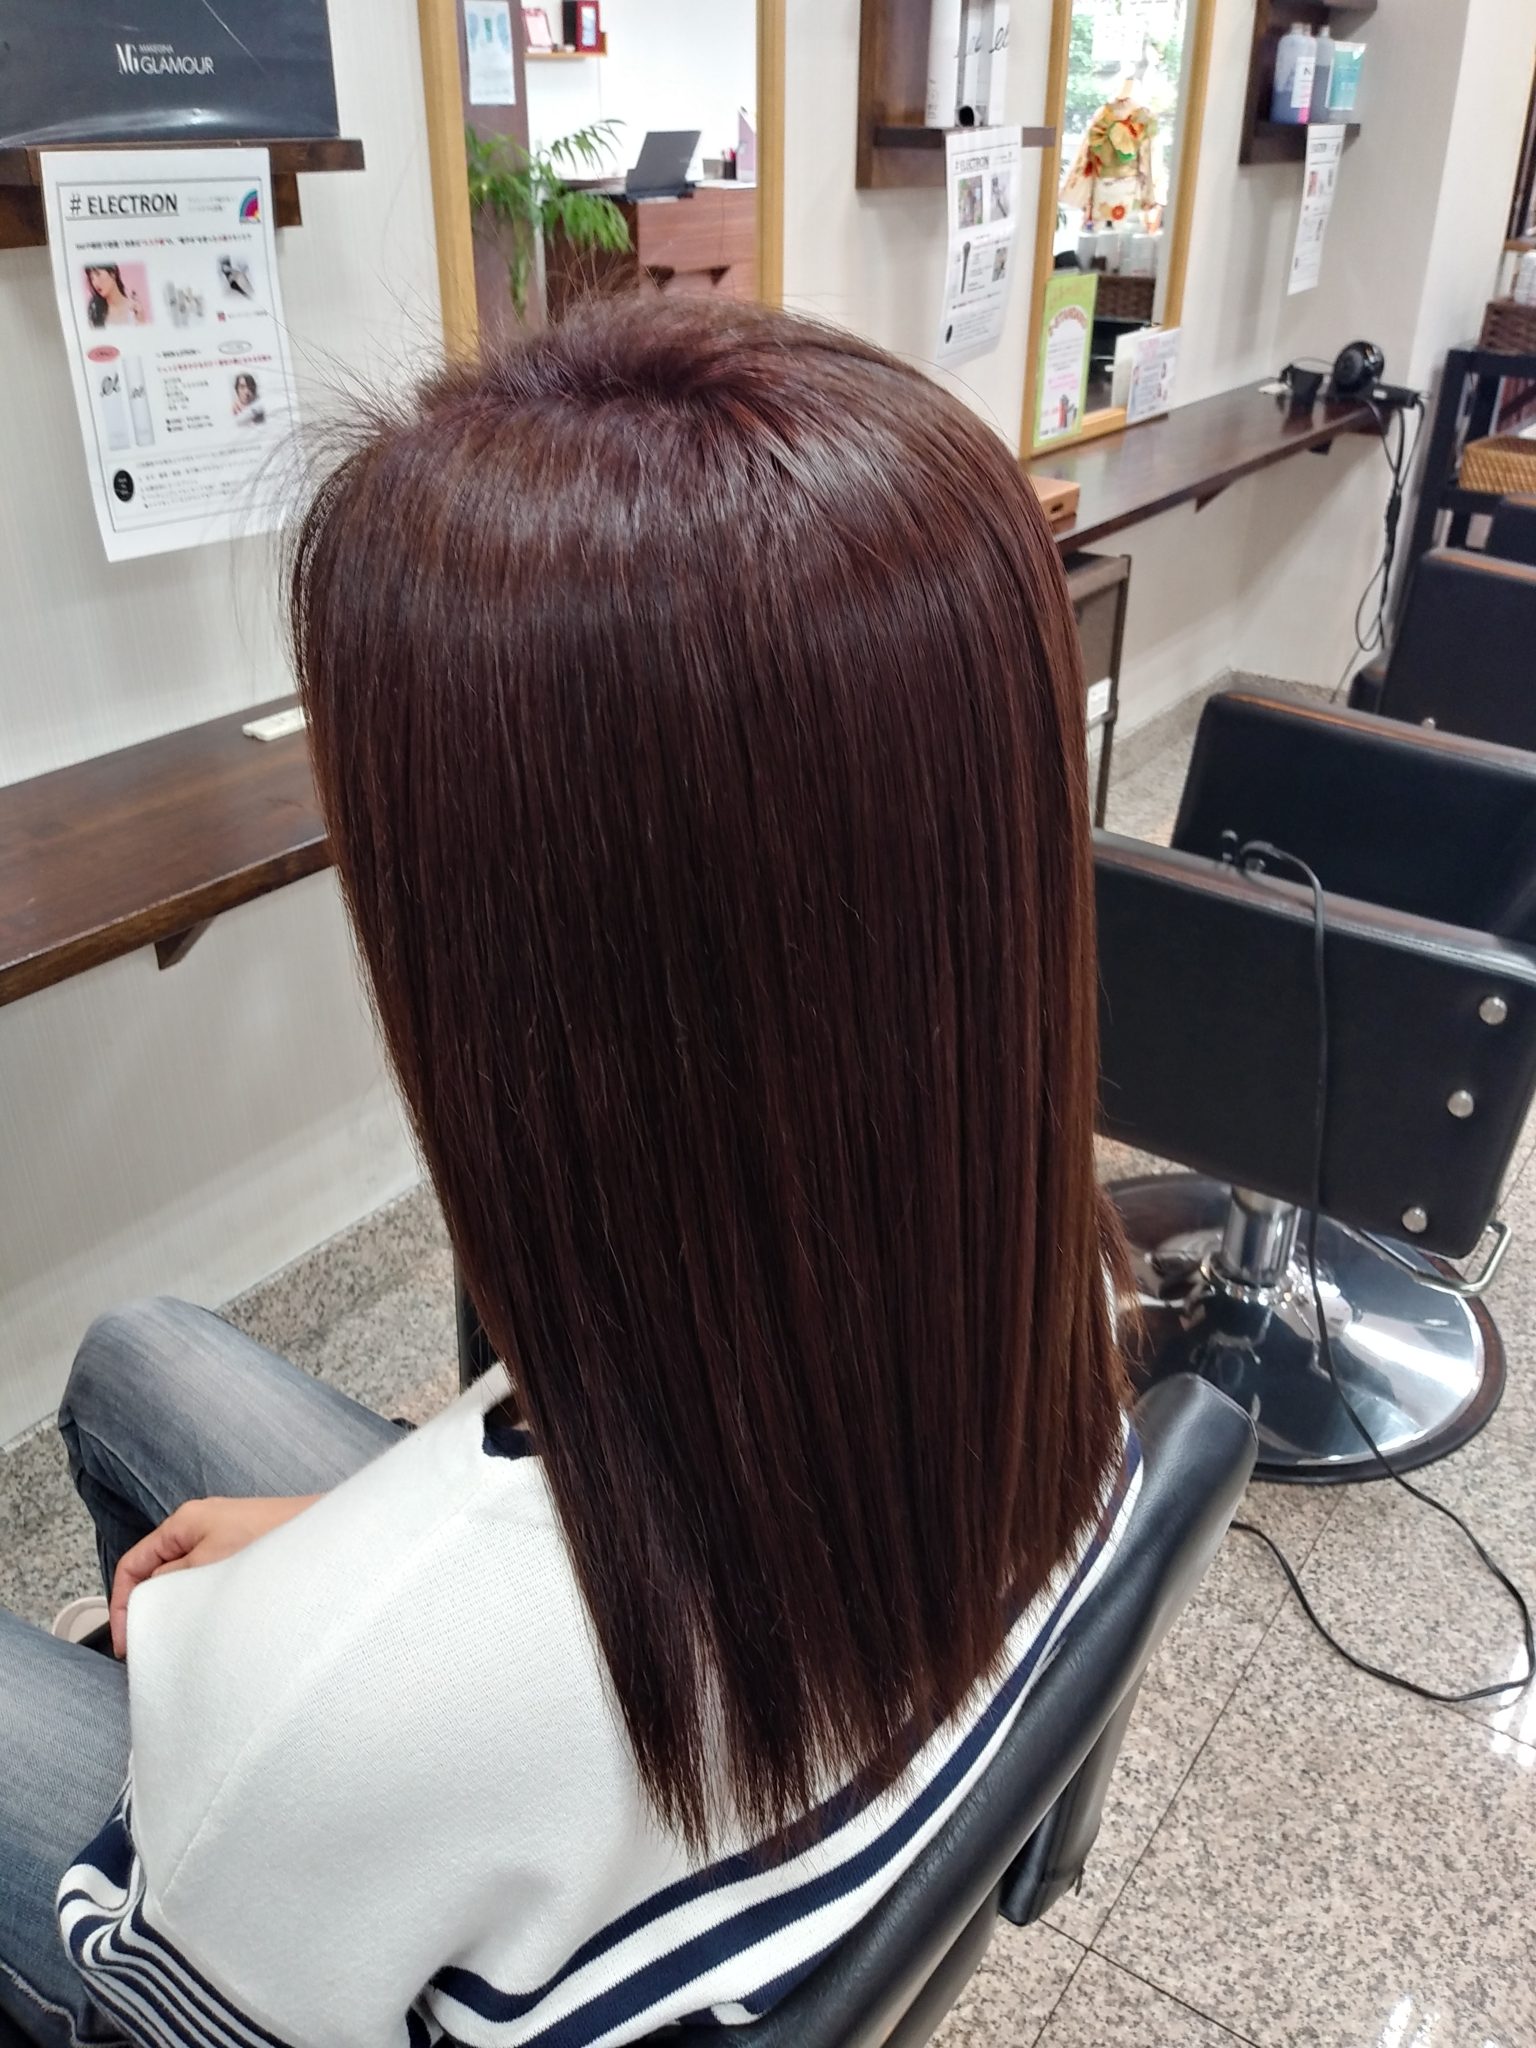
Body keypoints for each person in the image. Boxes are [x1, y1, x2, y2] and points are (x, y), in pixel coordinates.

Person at [0, 299, 1136, 2048]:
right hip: (692, 1675)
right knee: (138, 1355)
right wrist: (334, 1561)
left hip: (361, 1804)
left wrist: (271, 1683)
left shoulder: (318, 1727)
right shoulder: (1055, 1300)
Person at [83, 265, 146, 329]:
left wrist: (140, 319)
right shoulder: (95, 313)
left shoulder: (134, 309)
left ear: (113, 274)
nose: (95, 283)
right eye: (92, 278)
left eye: (98, 274)